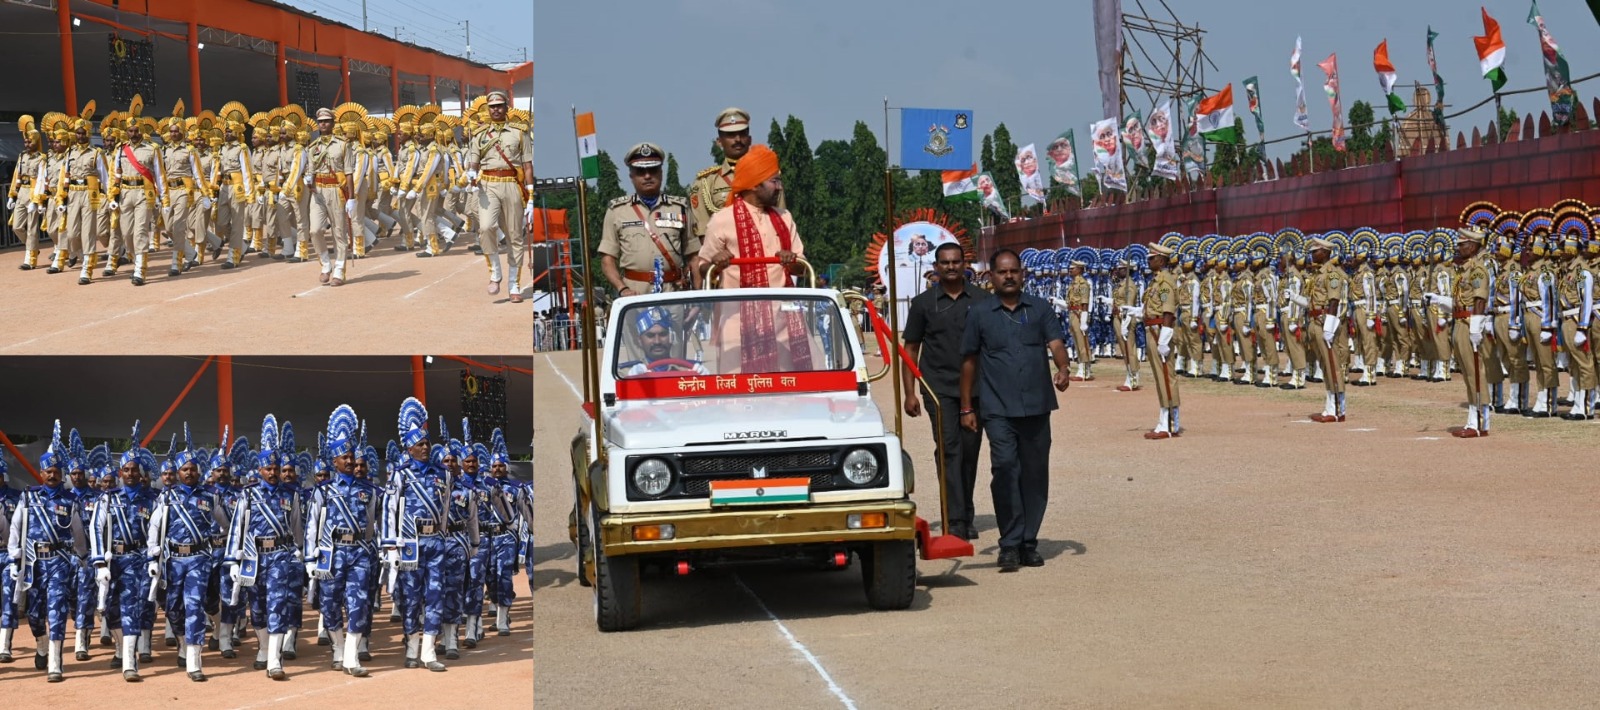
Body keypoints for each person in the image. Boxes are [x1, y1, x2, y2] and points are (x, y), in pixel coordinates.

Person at [959, 249, 1071, 572]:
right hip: (997, 407)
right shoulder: (979, 313)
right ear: (991, 276)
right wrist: (967, 406)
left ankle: (1028, 542)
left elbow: (1056, 343)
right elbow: (968, 361)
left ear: (1023, 274)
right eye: (1002, 272)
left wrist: (1063, 368)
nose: (1009, 276)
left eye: (1014, 271)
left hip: (1037, 405)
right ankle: (1009, 543)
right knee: (1006, 468)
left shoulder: (1040, 308)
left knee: (1035, 475)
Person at [902, 242, 989, 541]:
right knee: (949, 450)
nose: (951, 267)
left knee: (970, 451)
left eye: (956, 262)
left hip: (976, 389)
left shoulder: (982, 299)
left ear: (965, 264)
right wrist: (910, 392)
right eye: (945, 263)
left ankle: (966, 510)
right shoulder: (923, 303)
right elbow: (911, 349)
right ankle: (954, 519)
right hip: (937, 388)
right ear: (936, 267)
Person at [7, 422, 89, 682]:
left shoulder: (70, 501)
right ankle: (41, 643)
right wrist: (13, 558)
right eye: (48, 472)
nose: (52, 475)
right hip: (33, 563)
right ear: (41, 474)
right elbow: (15, 530)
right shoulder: (28, 498)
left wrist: (84, 559)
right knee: (33, 615)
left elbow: (78, 534)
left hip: (59, 562)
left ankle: (55, 662)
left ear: (61, 474)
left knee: (57, 609)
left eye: (56, 471)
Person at [89, 428, 159, 681]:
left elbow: (156, 533)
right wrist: (99, 563)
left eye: (135, 470)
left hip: (136, 561)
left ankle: (130, 661)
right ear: (120, 473)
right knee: (110, 610)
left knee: (131, 608)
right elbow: (96, 529)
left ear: (141, 474)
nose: (130, 474)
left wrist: (154, 557)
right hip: (111, 560)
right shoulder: (107, 499)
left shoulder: (153, 500)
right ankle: (120, 647)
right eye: (126, 470)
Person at [693, 143, 803, 289]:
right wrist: (716, 264)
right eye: (774, 182)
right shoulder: (722, 219)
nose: (779, 187)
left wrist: (791, 261)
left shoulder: (785, 217)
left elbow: (803, 269)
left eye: (779, 181)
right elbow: (703, 269)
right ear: (754, 185)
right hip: (735, 310)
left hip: (780, 309)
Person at [599, 142, 697, 296]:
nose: (647, 176)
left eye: (653, 170)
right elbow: (607, 260)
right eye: (640, 171)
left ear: (661, 173)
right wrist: (622, 288)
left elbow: (694, 256)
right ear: (631, 176)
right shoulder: (616, 211)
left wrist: (696, 298)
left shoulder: (680, 208)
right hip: (634, 294)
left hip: (673, 292)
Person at [464, 91, 534, 302]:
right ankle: (495, 272)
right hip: (488, 184)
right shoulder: (480, 134)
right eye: (492, 106)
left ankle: (514, 285)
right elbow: (474, 161)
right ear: (488, 109)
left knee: (515, 236)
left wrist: (531, 195)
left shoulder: (520, 133)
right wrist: (471, 172)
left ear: (506, 107)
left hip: (511, 184)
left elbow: (527, 165)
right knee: (485, 227)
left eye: (500, 105)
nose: (496, 109)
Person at [689, 108, 783, 239]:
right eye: (731, 135)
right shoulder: (706, 182)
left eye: (742, 134)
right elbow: (703, 233)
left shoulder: (769, 176)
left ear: (750, 139)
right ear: (719, 141)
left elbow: (780, 219)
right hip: (725, 255)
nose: (738, 139)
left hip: (763, 249)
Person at [1132, 243, 1181, 437]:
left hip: (1160, 331)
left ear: (1161, 260)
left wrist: (1164, 338)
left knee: (1166, 376)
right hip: (1152, 328)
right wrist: (1138, 312)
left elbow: (1168, 310)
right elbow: (1154, 307)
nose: (1148, 261)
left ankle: (1169, 424)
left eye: (1151, 258)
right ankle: (1166, 420)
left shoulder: (1165, 282)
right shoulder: (1156, 282)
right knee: (1160, 376)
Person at [619, 307, 709, 376]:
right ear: (639, 340)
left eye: (663, 334)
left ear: (671, 337)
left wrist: (706, 380)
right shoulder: (625, 373)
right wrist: (628, 380)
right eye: (650, 336)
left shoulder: (689, 369)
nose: (657, 341)